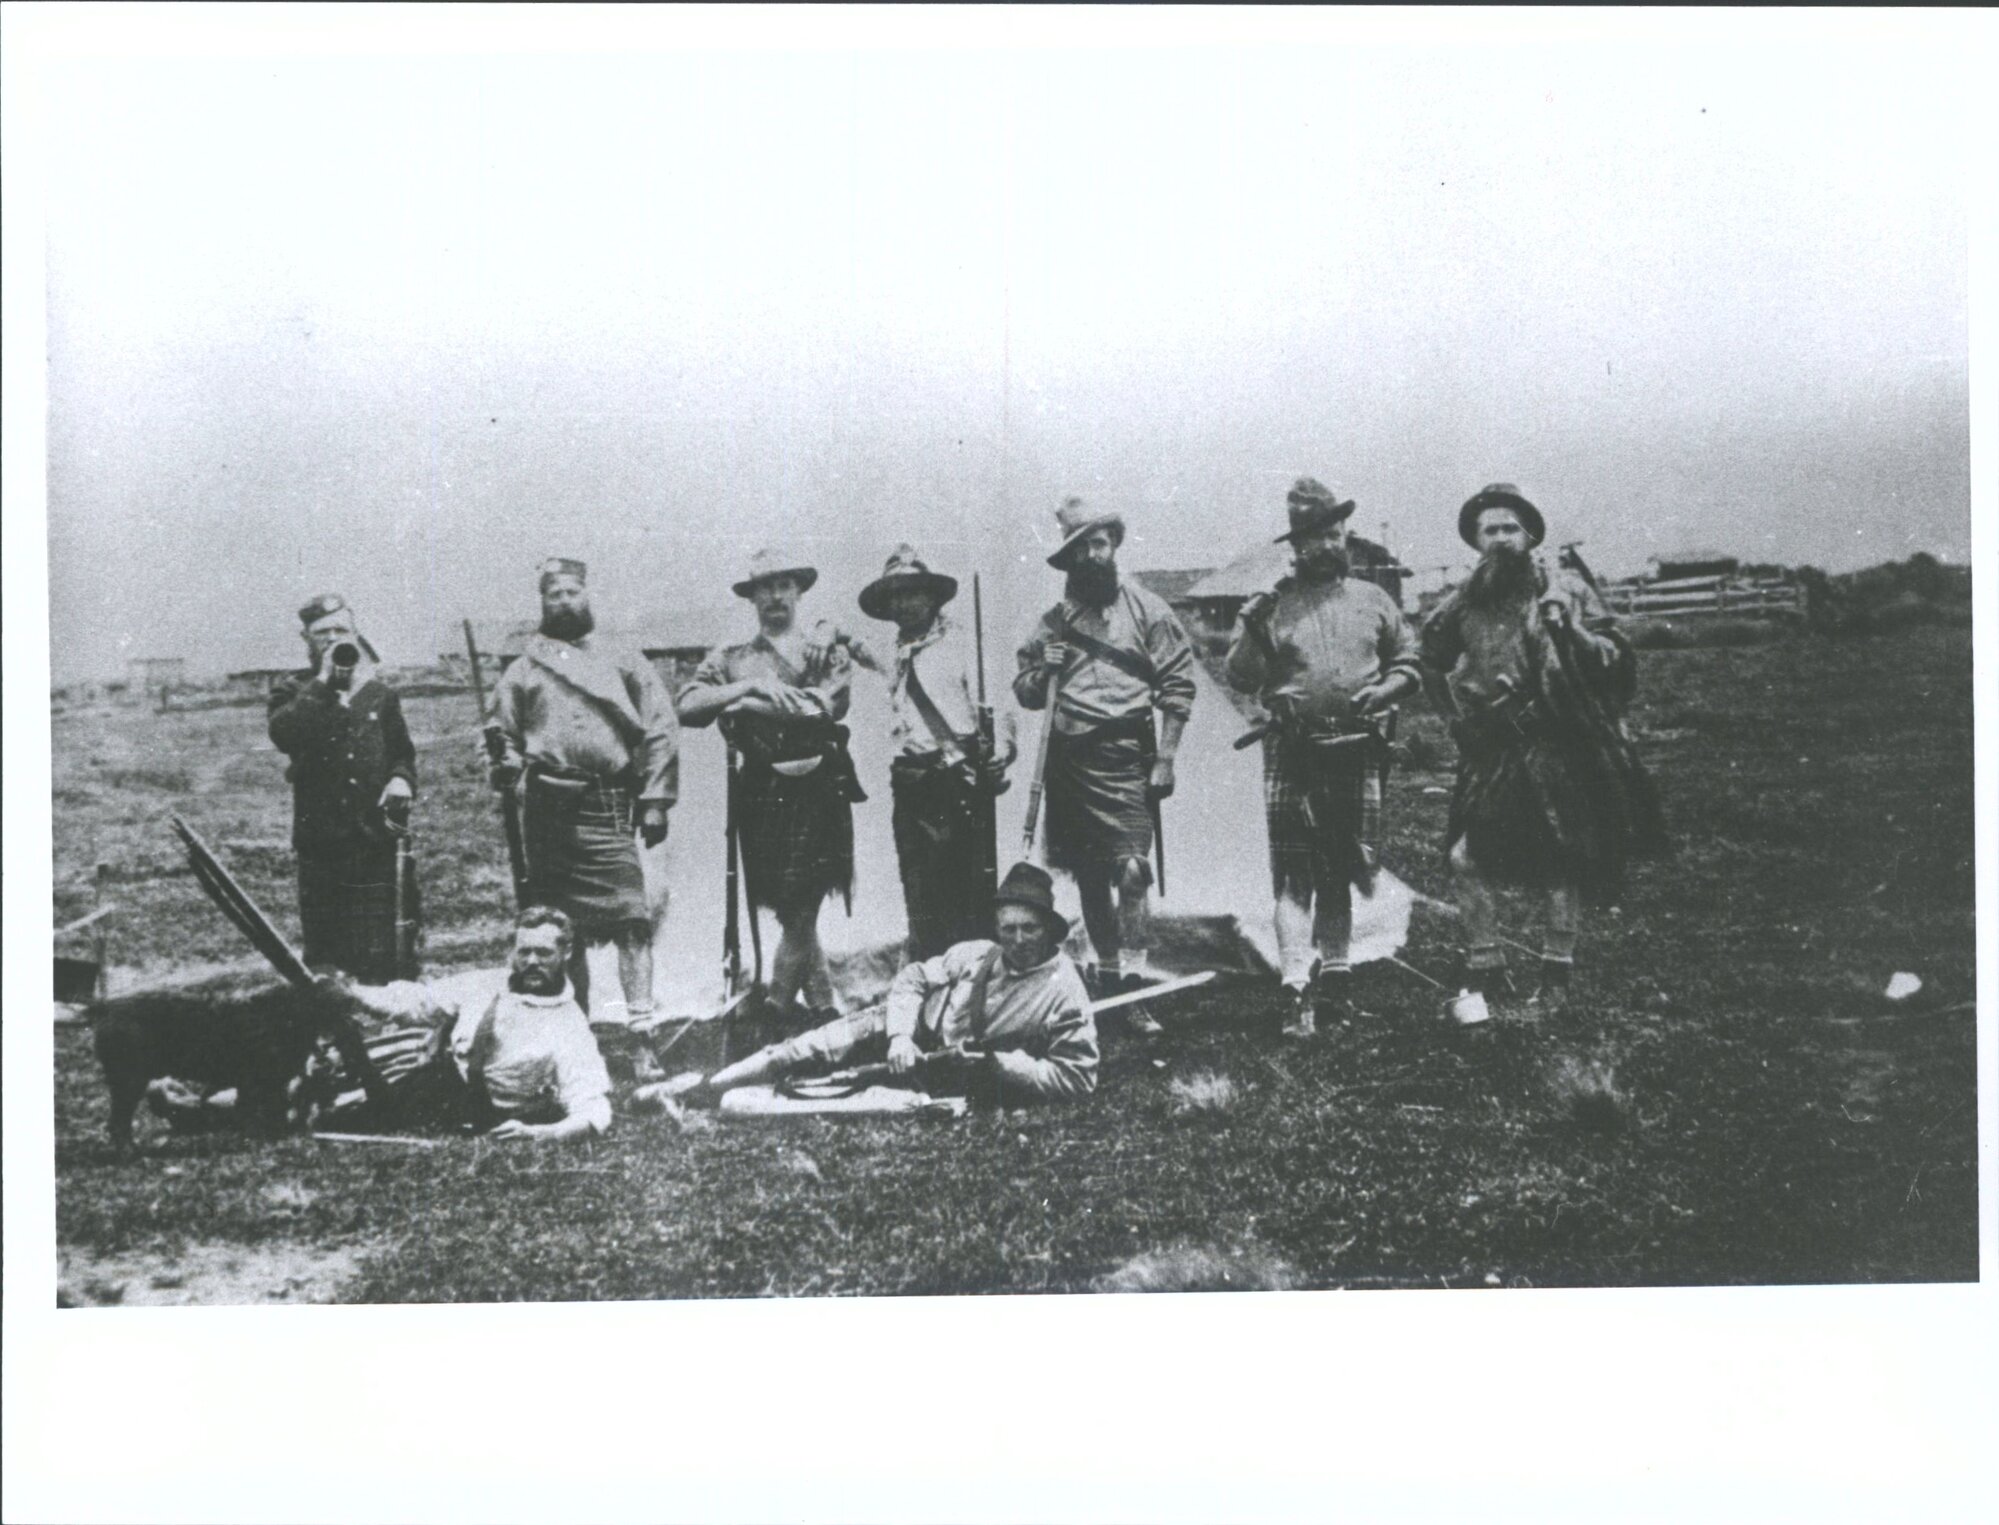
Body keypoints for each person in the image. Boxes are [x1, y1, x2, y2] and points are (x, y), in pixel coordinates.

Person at [1419, 484, 1666, 1013]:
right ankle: (1488, 967)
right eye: (1490, 530)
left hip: (1556, 741)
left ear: (1530, 536)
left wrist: (1570, 627)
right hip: (1491, 748)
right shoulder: (1462, 603)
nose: (1502, 538)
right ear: (1475, 541)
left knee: (1560, 859)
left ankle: (1557, 976)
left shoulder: (1564, 590)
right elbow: (1429, 661)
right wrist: (1455, 721)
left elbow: (1616, 659)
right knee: (1464, 858)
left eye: (1511, 528)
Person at [1225, 479, 1423, 1037]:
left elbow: (1409, 661)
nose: (1326, 546)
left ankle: (1336, 983)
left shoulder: (1373, 599)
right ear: (1296, 545)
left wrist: (1387, 690)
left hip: (1358, 746)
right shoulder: (1271, 606)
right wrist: (1252, 629)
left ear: (1345, 537)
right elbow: (1240, 677)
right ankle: (1295, 988)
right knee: (1295, 873)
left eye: (1334, 534)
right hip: (1294, 749)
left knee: (1341, 868)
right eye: (1314, 538)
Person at [690, 862, 1097, 1105]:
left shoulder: (1064, 991)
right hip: (904, 1029)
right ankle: (709, 1089)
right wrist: (901, 1036)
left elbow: (1078, 1078)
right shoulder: (977, 954)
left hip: (952, 1072)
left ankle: (738, 1093)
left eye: (1030, 929)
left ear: (1048, 929)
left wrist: (1004, 1065)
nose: (1018, 940)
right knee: (805, 1050)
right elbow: (913, 979)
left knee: (837, 1090)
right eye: (1009, 929)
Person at [1014, 497, 1197, 1028]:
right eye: (1080, 549)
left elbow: (1178, 686)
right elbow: (1025, 691)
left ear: (1114, 545)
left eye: (1098, 544)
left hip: (1127, 757)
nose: (1091, 556)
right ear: (1069, 559)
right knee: (1092, 878)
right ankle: (1109, 979)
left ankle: (1134, 987)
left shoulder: (1148, 610)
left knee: (1134, 871)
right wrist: (1041, 670)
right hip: (1070, 761)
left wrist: (1166, 759)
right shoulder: (1053, 623)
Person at [487, 558, 678, 1028]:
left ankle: (641, 1031)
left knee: (632, 922)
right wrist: (505, 762)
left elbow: (660, 726)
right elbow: (501, 733)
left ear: (587, 595)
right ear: (543, 602)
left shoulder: (622, 658)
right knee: (559, 930)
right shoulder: (524, 670)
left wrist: (655, 800)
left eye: (572, 592)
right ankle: (575, 1029)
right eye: (554, 594)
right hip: (547, 815)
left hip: (607, 806)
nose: (564, 602)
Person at [677, 549, 863, 1023]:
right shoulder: (733, 658)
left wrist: (746, 708)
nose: (776, 595)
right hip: (761, 793)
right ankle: (824, 1007)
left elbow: (819, 709)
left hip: (818, 788)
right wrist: (746, 688)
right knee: (789, 907)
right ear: (752, 597)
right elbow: (689, 706)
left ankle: (774, 1008)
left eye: (784, 585)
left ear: (799, 592)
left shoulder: (826, 652)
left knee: (803, 906)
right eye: (765, 587)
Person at [324, 905, 613, 1141]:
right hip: (436, 1085)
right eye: (524, 952)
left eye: (544, 952)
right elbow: (419, 1001)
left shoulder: (569, 1026)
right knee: (332, 1108)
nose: (532, 961)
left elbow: (593, 1108)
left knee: (354, 1117)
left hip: (486, 1113)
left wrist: (542, 1133)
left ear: (567, 952)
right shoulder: (485, 983)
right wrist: (354, 994)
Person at [859, 543, 1017, 961]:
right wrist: (825, 630)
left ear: (931, 597)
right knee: (920, 894)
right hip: (911, 785)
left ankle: (974, 982)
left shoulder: (963, 644)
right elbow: (849, 642)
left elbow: (998, 709)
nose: (904, 603)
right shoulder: (892, 652)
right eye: (895, 595)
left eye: (912, 592)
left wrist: (1001, 752)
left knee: (970, 896)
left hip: (959, 782)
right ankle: (929, 982)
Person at [267, 593, 420, 984]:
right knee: (327, 954)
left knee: (385, 946)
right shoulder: (293, 690)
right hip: (322, 844)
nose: (333, 638)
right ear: (306, 638)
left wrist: (400, 778)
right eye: (323, 632)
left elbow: (402, 752)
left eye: (341, 630)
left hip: (376, 839)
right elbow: (284, 735)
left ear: (355, 634)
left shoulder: (379, 694)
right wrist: (323, 682)